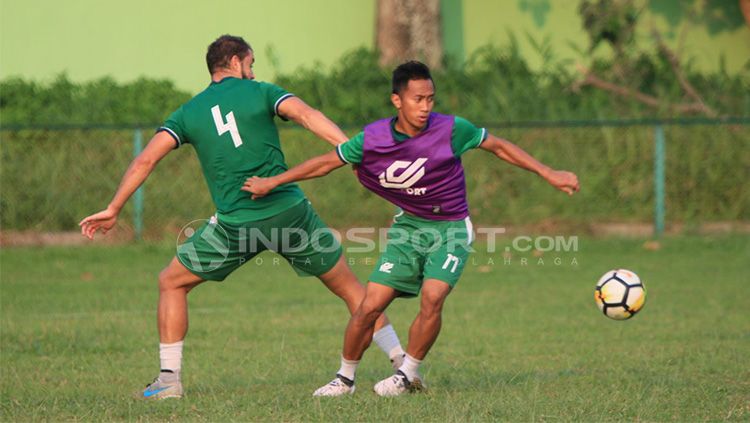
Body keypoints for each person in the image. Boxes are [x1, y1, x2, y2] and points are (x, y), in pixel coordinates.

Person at [79, 35, 405, 400]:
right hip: (290, 213)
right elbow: (308, 117)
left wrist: (114, 207)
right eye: (250, 64)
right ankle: (402, 365)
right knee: (352, 291)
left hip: (237, 224)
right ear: (235, 61)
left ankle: (169, 381)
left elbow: (146, 159)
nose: (252, 73)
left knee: (172, 282)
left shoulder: (188, 112)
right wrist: (349, 151)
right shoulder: (263, 92)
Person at [243, 60, 580, 397]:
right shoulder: (373, 138)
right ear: (397, 100)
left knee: (433, 296)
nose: (425, 107)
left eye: (430, 99)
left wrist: (548, 172)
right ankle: (344, 379)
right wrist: (274, 181)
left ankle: (407, 375)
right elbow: (326, 163)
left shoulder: (451, 129)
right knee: (369, 306)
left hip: (450, 228)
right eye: (417, 99)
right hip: (408, 228)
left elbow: (499, 146)